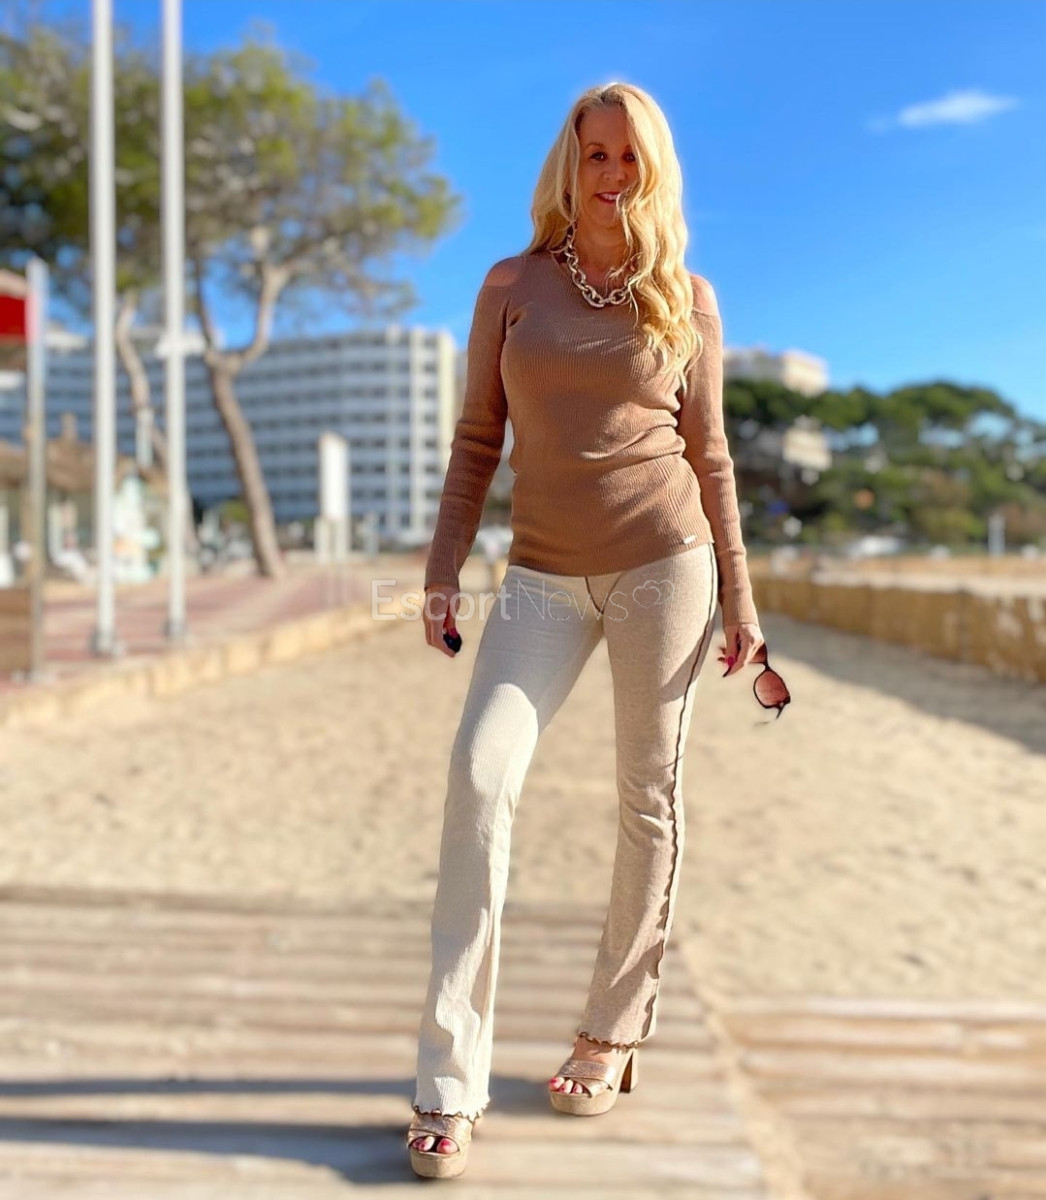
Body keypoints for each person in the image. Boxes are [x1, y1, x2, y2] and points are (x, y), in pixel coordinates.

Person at [406, 80, 766, 1180]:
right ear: (568, 163)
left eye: (628, 155)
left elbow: (709, 456)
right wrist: (441, 569)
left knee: (645, 795)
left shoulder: (685, 297)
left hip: (666, 561)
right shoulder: (510, 285)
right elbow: (477, 438)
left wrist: (742, 600)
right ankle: (447, 1081)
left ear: (653, 167)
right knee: (479, 774)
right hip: (541, 574)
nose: (610, 173)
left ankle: (610, 1034)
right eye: (593, 153)